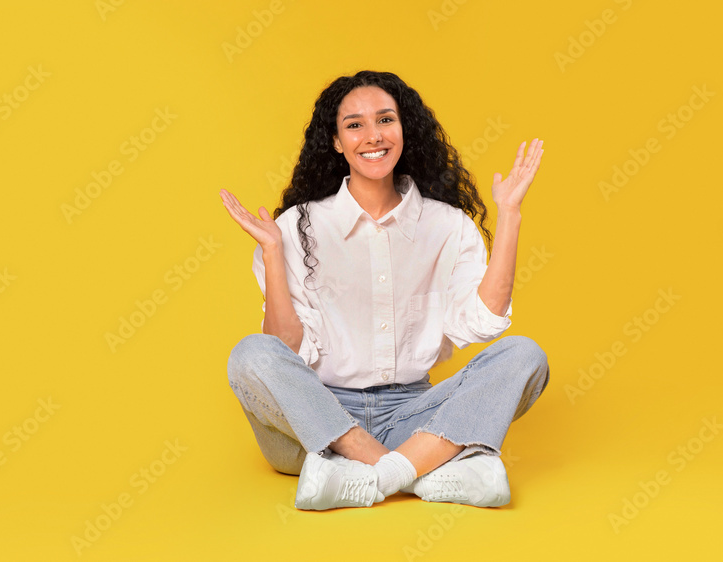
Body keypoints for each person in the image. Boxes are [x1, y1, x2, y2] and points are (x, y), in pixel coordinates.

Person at [221, 70, 549, 511]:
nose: (372, 136)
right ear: (336, 141)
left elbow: (484, 320)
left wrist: (509, 214)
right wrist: (274, 252)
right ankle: (418, 475)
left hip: (414, 416)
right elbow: (285, 347)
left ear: (404, 129)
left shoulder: (447, 225)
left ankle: (365, 478)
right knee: (250, 355)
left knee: (524, 356)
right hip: (315, 421)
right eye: (354, 124)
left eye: (385, 120)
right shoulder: (296, 226)